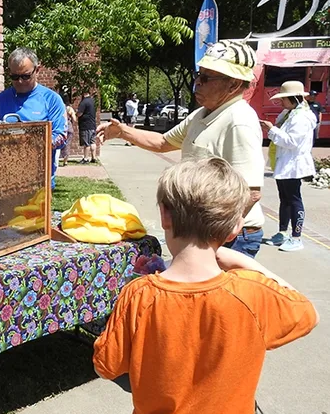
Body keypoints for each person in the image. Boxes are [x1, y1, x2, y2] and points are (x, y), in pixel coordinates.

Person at [93, 157, 318, 414]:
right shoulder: (252, 296)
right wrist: (243, 262)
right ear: (234, 229)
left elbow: (106, 365)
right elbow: (305, 310)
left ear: (165, 214)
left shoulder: (139, 296)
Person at [97, 40, 266, 257]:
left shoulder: (239, 120)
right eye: (198, 75)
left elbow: (251, 192)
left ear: (233, 85)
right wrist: (123, 132)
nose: (198, 83)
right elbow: (162, 143)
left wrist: (219, 237)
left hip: (227, 238)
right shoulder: (202, 114)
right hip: (204, 233)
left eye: (206, 78)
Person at [0, 47, 66, 186]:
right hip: (5, 180)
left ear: (37, 70)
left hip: (39, 181)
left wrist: (29, 144)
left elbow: (60, 136)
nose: (20, 81)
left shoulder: (52, 99)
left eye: (25, 76)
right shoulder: (1, 99)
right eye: (15, 77)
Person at [260, 81, 317, 252]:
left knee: (294, 200)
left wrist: (272, 130)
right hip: (284, 163)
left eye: (284, 99)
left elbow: (291, 141)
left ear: (293, 99)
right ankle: (282, 232)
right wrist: (273, 128)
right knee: (284, 199)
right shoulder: (289, 114)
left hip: (294, 164)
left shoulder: (302, 117)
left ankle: (296, 237)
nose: (281, 102)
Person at [77, 89, 97, 163]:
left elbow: (79, 113)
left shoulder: (84, 102)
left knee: (86, 143)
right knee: (92, 142)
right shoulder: (92, 101)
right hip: (93, 125)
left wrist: (76, 113)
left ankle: (85, 158)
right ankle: (93, 157)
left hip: (86, 125)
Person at [60, 93, 77, 166]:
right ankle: (65, 161)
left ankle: (57, 159)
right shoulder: (69, 108)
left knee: (59, 143)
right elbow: (74, 119)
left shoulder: (59, 107)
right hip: (69, 127)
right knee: (68, 144)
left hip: (61, 127)